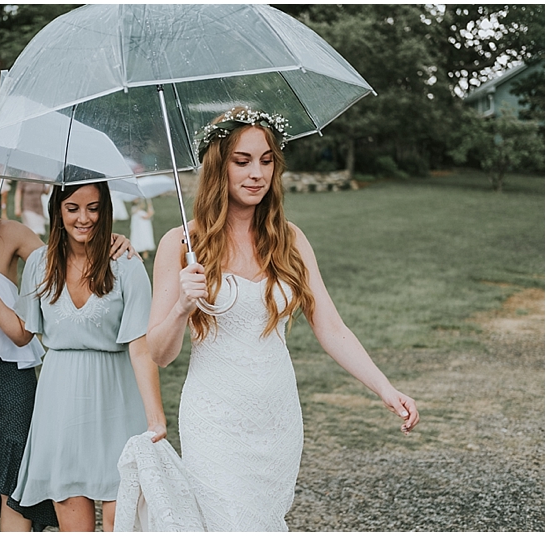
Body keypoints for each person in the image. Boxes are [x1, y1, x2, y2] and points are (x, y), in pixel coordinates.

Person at [145, 107, 420, 531]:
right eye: (242, 161)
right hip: (215, 419)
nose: (257, 173)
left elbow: (330, 327)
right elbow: (159, 353)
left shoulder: (289, 239)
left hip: (277, 417)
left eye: (267, 160)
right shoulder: (182, 243)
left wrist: (385, 388)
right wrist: (182, 305)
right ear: (218, 167)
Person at [0, 149, 137, 531]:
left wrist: (110, 236)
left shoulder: (14, 233)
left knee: (14, 481)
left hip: (8, 373)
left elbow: (68, 254)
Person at [7, 177, 167, 532]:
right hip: (60, 404)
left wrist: (156, 419)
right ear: (57, 211)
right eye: (73, 208)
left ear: (106, 210)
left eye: (93, 208)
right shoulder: (39, 263)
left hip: (117, 401)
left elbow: (141, 348)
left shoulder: (126, 263)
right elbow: (22, 332)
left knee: (120, 522)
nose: (84, 218)